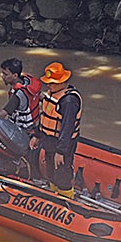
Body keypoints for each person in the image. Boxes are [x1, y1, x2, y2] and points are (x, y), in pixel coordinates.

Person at [29, 62, 82, 198]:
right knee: (51, 172)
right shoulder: (52, 94)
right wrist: (37, 135)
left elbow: (67, 129)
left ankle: (66, 200)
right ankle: (54, 195)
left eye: (52, 83)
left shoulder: (69, 101)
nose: (48, 85)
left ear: (62, 82)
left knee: (62, 174)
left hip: (62, 144)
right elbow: (45, 116)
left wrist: (61, 152)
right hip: (49, 141)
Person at [0, 58, 42, 176]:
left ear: (14, 75)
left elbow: (2, 114)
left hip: (21, 132)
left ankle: (12, 164)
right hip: (31, 128)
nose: (2, 76)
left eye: (5, 74)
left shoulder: (18, 95)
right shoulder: (27, 83)